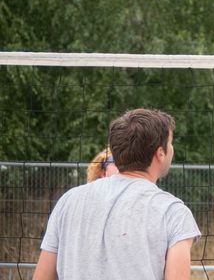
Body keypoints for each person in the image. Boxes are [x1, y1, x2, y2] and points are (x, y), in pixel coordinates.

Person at [33, 108, 201, 280]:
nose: (172, 148)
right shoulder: (173, 212)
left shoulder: (69, 201)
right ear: (160, 154)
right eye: (171, 143)